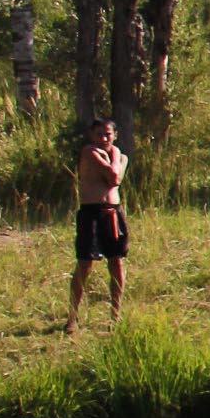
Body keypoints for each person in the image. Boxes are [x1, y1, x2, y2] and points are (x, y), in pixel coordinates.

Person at [66, 117, 129, 334]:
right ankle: (72, 317)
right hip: (91, 212)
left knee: (116, 262)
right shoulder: (90, 152)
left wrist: (118, 157)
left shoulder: (115, 153)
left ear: (115, 135)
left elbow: (114, 180)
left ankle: (115, 315)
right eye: (99, 134)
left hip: (112, 212)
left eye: (108, 134)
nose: (103, 138)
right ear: (91, 136)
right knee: (85, 264)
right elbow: (114, 176)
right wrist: (119, 159)